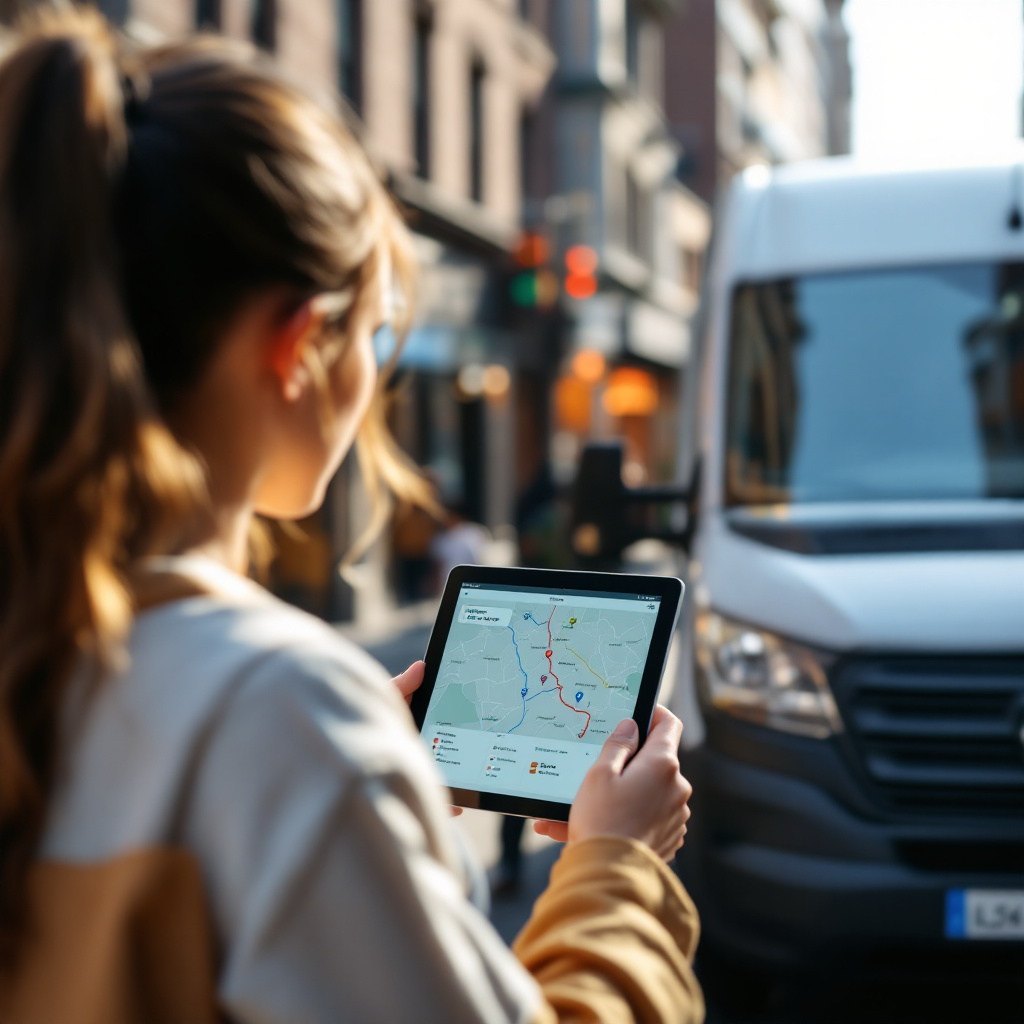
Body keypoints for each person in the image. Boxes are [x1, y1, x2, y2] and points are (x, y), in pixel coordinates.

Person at [0, 10, 704, 1024]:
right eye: (374, 337)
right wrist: (615, 866)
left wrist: (363, 782)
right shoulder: (276, 713)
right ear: (297, 346)